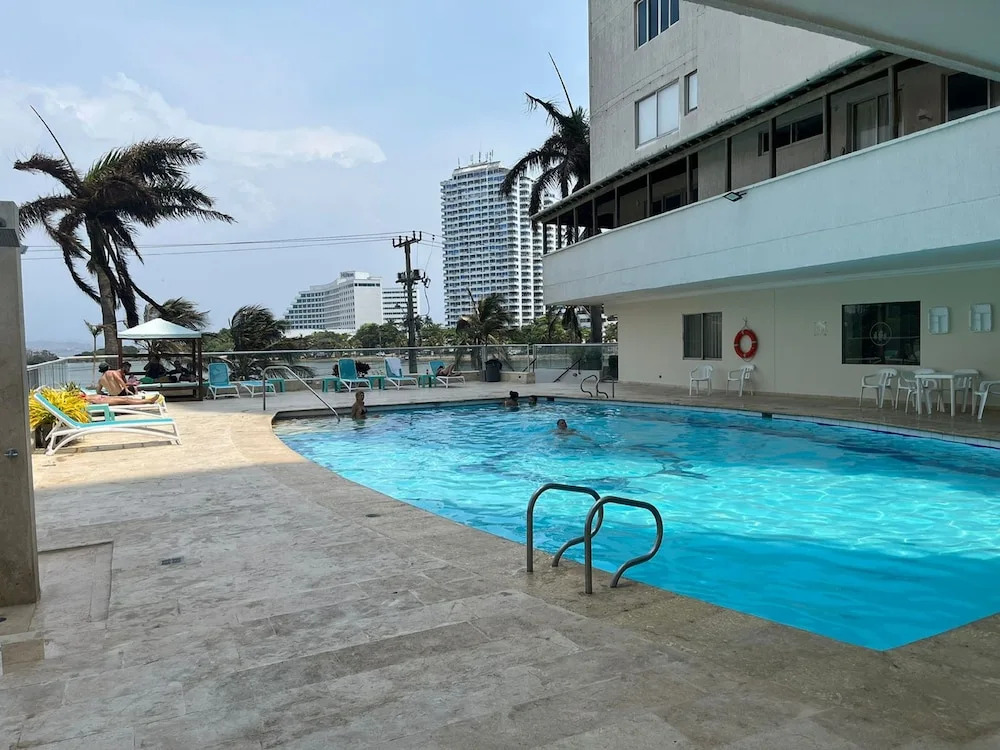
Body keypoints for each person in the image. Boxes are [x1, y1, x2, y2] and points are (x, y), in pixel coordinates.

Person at [82, 391, 161, 407]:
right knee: (125, 400)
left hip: (101, 398)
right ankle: (148, 401)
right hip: (99, 401)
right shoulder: (78, 398)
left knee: (126, 398)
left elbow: (98, 390)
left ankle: (147, 401)